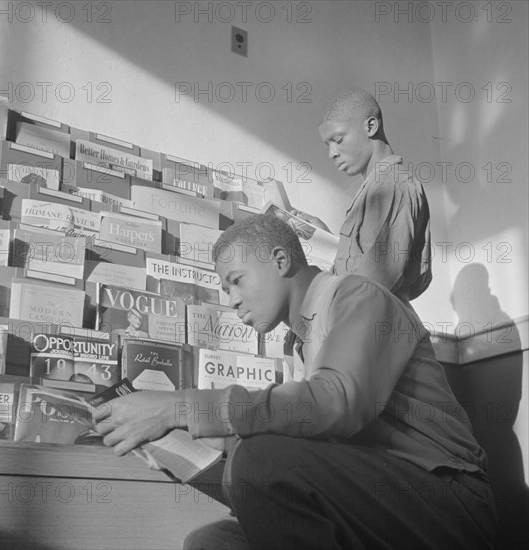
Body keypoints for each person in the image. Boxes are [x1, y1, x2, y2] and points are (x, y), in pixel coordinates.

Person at [94, 214, 496, 550]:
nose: (231, 299)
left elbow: (337, 402)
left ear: (281, 260)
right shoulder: (298, 343)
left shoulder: (359, 297)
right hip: (371, 497)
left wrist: (180, 406)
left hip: (448, 500)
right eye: (224, 288)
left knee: (260, 459)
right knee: (212, 542)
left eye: (236, 280)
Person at [293, 88, 432, 302]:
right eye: (327, 145)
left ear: (371, 126)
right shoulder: (375, 186)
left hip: (373, 325)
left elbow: (375, 281)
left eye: (338, 140)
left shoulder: (392, 184)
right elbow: (362, 267)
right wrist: (330, 242)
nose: (332, 153)